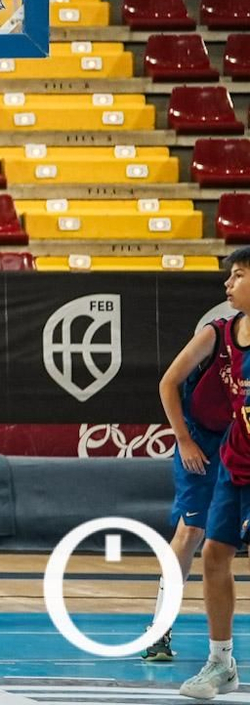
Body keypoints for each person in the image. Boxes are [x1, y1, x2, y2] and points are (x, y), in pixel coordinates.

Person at [182, 246, 250, 700]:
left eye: (239, 274)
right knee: (213, 555)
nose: (229, 284)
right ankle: (221, 662)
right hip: (236, 460)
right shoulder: (228, 331)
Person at [155, 293, 238, 663]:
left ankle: (222, 652)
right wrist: (185, 441)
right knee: (191, 532)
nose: (229, 282)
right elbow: (167, 383)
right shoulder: (215, 332)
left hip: (242, 441)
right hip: (203, 440)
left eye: (238, 275)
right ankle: (160, 629)